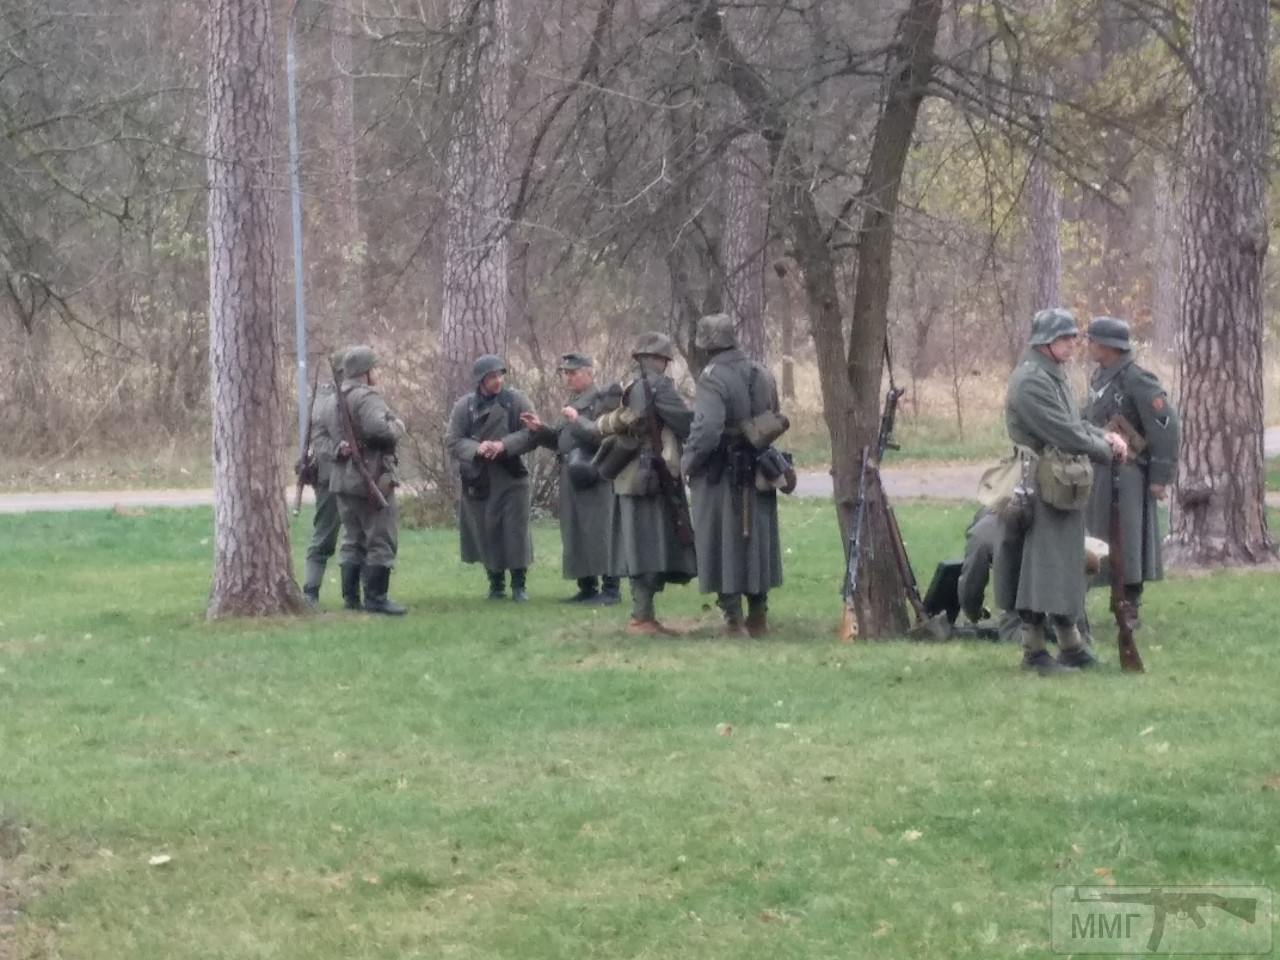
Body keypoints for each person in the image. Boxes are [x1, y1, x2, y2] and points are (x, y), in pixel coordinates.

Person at [993, 308, 1129, 674]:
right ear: (1046, 341)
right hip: (1038, 484)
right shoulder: (1032, 381)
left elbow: (1074, 423)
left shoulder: (1051, 375)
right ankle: (1034, 653)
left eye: (1074, 336)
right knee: (1040, 569)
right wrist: (1104, 450)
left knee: (1063, 566)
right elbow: (1063, 432)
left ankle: (1071, 647)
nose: (1074, 342)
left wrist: (1106, 436)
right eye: (1066, 336)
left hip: (1058, 483)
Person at [680, 313, 785, 636]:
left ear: (707, 345)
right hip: (760, 469)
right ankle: (758, 615)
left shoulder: (712, 378)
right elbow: (774, 415)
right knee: (756, 543)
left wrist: (688, 461)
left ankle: (733, 619)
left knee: (719, 541)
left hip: (721, 473)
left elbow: (707, 430)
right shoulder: (762, 372)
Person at [595, 332, 696, 635]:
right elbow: (685, 423)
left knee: (638, 544)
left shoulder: (632, 386)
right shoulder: (659, 386)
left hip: (632, 476)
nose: (666, 365)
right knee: (650, 544)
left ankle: (642, 614)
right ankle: (642, 617)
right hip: (653, 477)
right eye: (664, 360)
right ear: (657, 360)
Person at [1083, 316, 1180, 618]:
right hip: (1101, 471)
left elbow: (1166, 426)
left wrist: (1160, 477)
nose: (1087, 345)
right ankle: (1110, 594)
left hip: (1129, 475)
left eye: (1092, 340)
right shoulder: (1101, 377)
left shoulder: (1136, 379)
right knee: (1101, 536)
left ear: (1107, 346)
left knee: (1129, 539)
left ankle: (1130, 603)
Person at [520, 352, 622, 605]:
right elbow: (558, 439)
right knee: (575, 530)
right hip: (570, 473)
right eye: (565, 373)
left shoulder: (602, 399)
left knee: (601, 529)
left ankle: (611, 590)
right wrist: (539, 430)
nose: (568, 378)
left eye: (573, 373)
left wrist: (577, 420)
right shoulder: (573, 400)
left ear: (589, 373)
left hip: (594, 471)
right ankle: (586, 586)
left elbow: (605, 434)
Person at [446, 355, 537, 601]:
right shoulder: (464, 407)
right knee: (486, 532)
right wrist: (477, 448)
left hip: (511, 475)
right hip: (479, 478)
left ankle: (519, 585)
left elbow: (532, 434)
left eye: (500, 375)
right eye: (491, 377)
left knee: (515, 532)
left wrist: (503, 445)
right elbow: (453, 441)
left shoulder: (516, 401)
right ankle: (495, 584)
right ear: (480, 381)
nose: (498, 380)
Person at [330, 345, 407, 615]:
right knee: (381, 538)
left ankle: (351, 597)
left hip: (342, 478)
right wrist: (397, 426)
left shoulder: (334, 397)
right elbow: (379, 430)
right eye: (374, 368)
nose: (377, 372)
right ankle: (376, 598)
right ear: (365, 372)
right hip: (370, 476)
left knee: (352, 539)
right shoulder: (367, 397)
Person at [300, 349, 347, 607]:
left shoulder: (353, 396)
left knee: (358, 537)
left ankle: (356, 594)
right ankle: (310, 591)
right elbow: (322, 441)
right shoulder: (325, 400)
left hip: (353, 475)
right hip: (330, 475)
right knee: (325, 534)